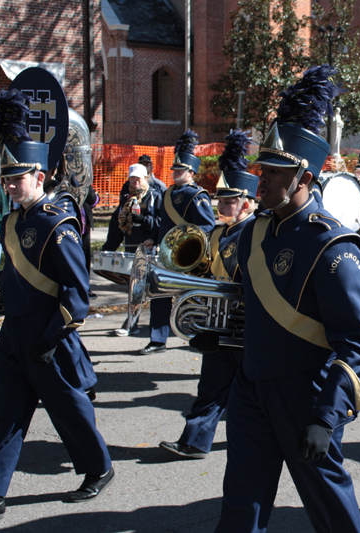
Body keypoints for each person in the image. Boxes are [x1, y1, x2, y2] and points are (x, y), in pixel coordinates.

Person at [214, 65, 360, 533]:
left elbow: (359, 346)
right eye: (260, 170)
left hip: (306, 394)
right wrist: (219, 339)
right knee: (241, 503)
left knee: (329, 505)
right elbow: (248, 305)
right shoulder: (253, 233)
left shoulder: (334, 247)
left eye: (271, 172)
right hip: (250, 386)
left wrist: (327, 416)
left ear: (303, 176)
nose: (258, 182)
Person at [0, 89, 113, 529]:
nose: (8, 184)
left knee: (70, 412)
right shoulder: (11, 222)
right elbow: (11, 277)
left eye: (16, 177)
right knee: (9, 415)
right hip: (14, 335)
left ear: (39, 175)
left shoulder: (57, 224)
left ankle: (99, 467)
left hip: (49, 335)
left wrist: (51, 336)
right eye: (6, 177)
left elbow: (77, 293)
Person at [159, 130, 258, 459]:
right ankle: (194, 441)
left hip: (249, 331)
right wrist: (201, 323)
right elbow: (206, 276)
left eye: (230, 200)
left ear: (246, 202)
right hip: (220, 328)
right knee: (210, 389)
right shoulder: (217, 232)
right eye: (221, 199)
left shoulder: (258, 234)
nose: (223, 205)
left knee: (256, 395)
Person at [141, 130, 216, 354]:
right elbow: (163, 223)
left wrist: (187, 243)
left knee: (192, 297)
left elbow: (207, 227)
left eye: (180, 170)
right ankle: (157, 340)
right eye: (174, 169)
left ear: (191, 172)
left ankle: (196, 334)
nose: (175, 173)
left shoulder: (197, 195)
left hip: (190, 255)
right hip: (168, 253)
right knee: (160, 293)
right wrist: (153, 238)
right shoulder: (167, 193)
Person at [108, 164, 162, 337]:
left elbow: (160, 223)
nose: (135, 181)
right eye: (132, 178)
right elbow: (118, 224)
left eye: (138, 178)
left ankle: (137, 324)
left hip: (148, 250)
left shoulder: (155, 196)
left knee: (143, 289)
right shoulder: (127, 198)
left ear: (146, 178)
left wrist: (144, 221)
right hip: (131, 247)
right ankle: (133, 323)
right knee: (134, 288)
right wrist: (109, 246)